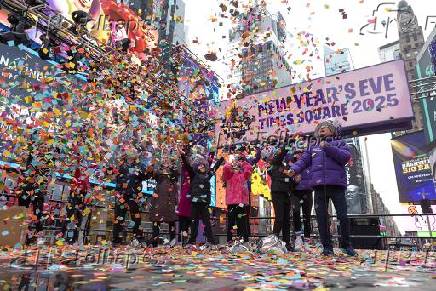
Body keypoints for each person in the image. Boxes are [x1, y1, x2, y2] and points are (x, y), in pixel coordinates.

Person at [289, 119, 357, 256]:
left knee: (342, 216)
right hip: (319, 187)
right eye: (320, 127)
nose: (322, 128)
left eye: (325, 127)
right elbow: (303, 161)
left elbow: (345, 157)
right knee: (321, 218)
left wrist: (328, 147)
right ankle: (327, 247)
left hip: (337, 185)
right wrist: (294, 169)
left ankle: (346, 245)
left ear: (333, 131)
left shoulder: (340, 143)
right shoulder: (312, 147)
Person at [179, 148, 224, 245]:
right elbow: (187, 165)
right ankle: (192, 241)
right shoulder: (193, 174)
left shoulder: (208, 175)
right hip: (195, 203)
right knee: (194, 222)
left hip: (204, 203)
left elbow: (215, 167)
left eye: (203, 165)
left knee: (207, 222)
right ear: (196, 167)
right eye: (200, 165)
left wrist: (222, 158)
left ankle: (211, 241)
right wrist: (183, 155)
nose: (202, 166)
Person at [112, 153, 146, 246]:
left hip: (134, 196)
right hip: (121, 195)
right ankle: (116, 240)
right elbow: (113, 175)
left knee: (136, 217)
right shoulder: (121, 165)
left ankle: (138, 239)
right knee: (119, 217)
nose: (131, 154)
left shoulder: (139, 166)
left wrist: (139, 164)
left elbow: (144, 176)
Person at [267, 145, 295, 251]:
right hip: (277, 193)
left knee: (286, 220)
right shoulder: (275, 164)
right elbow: (279, 157)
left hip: (286, 194)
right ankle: (273, 242)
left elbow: (291, 181)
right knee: (279, 218)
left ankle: (286, 243)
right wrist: (287, 145)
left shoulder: (287, 166)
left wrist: (294, 180)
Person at [147, 158, 179, 247]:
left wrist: (172, 167)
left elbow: (176, 177)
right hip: (159, 199)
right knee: (156, 220)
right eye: (164, 160)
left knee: (171, 221)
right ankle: (154, 243)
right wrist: (153, 165)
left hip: (170, 199)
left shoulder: (173, 170)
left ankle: (172, 243)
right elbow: (152, 176)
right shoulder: (158, 171)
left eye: (167, 160)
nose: (166, 162)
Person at [222, 153, 253, 243]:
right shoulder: (229, 176)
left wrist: (243, 163)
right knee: (231, 223)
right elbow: (225, 168)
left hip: (241, 204)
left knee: (242, 222)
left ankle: (242, 240)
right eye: (235, 168)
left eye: (238, 168)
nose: (236, 169)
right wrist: (232, 162)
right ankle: (230, 240)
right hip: (232, 204)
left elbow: (249, 169)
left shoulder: (243, 176)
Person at [290, 150, 313, 246]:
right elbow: (287, 179)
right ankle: (298, 237)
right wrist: (294, 180)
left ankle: (307, 238)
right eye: (297, 153)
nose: (299, 155)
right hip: (295, 192)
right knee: (296, 213)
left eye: (301, 153)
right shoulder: (291, 165)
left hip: (307, 191)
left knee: (307, 215)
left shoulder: (310, 164)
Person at [176, 146, 193, 245]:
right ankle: (184, 240)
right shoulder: (183, 171)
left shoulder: (192, 172)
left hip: (190, 201)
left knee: (189, 221)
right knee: (183, 221)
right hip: (184, 201)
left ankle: (188, 240)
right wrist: (181, 154)